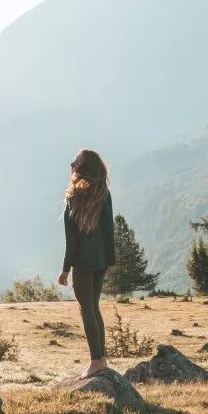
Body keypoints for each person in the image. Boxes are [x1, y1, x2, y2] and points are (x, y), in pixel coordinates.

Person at [58, 149, 115, 379]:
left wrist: (65, 269)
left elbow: (71, 241)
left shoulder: (74, 198)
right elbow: (109, 230)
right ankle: (102, 358)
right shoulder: (104, 193)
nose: (71, 163)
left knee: (87, 310)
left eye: (76, 161)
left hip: (82, 262)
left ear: (84, 167)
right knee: (94, 307)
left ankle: (96, 360)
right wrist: (108, 259)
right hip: (101, 261)